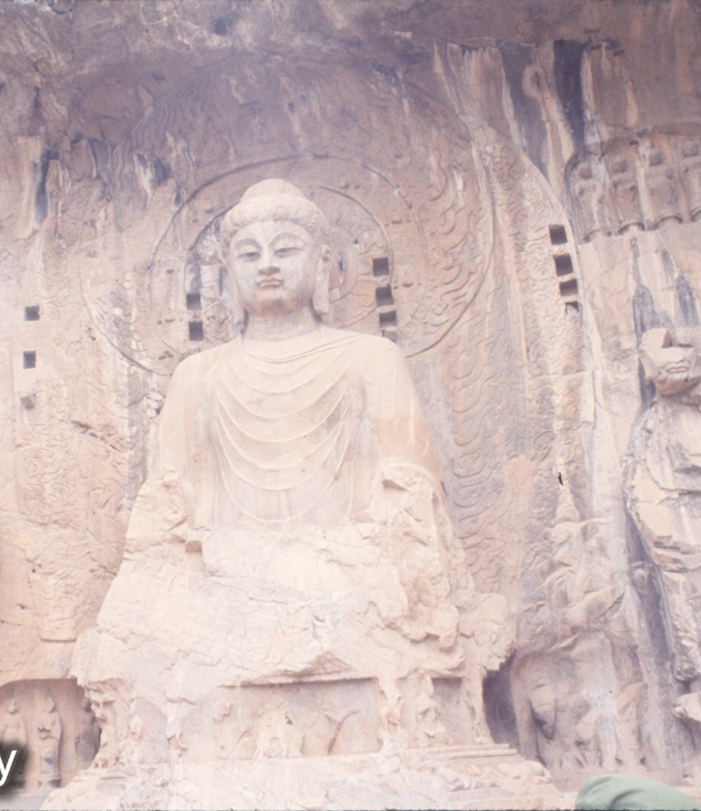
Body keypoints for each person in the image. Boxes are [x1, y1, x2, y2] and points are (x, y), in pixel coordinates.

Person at [73, 179, 502, 765]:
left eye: (286, 250)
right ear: (227, 275)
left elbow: (411, 493)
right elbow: (167, 509)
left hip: (345, 574)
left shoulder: (370, 359)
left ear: (324, 266)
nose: (268, 266)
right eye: (249, 254)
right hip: (226, 578)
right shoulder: (198, 377)